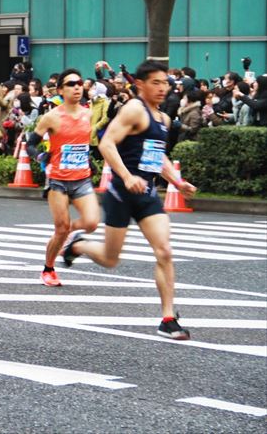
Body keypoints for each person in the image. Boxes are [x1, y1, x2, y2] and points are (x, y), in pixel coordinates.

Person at [61, 60, 197, 340]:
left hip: (147, 195)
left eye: (165, 83)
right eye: (156, 83)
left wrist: (178, 182)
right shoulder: (134, 108)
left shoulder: (164, 119)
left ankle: (168, 318)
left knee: (165, 251)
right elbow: (107, 142)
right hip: (121, 193)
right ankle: (80, 245)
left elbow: (157, 156)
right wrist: (126, 176)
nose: (162, 88)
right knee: (111, 260)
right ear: (141, 84)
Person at [26, 69, 99, 287]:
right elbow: (30, 144)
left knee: (92, 222)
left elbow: (86, 144)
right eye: (71, 84)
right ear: (60, 90)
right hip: (58, 180)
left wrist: (91, 161)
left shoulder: (88, 113)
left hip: (82, 178)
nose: (77, 87)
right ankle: (48, 269)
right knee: (60, 228)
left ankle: (69, 236)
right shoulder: (52, 117)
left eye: (79, 83)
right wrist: (39, 155)